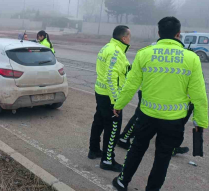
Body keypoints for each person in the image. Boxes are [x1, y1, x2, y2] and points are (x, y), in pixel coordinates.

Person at [112, 17, 208, 191]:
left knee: (136, 149)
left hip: (146, 116)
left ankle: (122, 181)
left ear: (159, 33)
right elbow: (199, 96)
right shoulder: (191, 58)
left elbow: (130, 85)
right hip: (174, 121)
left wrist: (118, 105)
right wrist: (200, 122)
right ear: (178, 35)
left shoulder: (145, 53)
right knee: (162, 158)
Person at [88, 25, 131, 172]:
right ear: (124, 38)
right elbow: (111, 78)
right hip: (109, 96)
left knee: (99, 121)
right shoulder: (116, 52)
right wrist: (116, 102)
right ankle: (107, 160)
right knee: (113, 128)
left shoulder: (107, 47)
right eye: (129, 36)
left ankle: (93, 150)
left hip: (101, 92)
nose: (130, 39)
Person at [117, 88, 190, 156]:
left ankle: (124, 137)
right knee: (141, 117)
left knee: (141, 117)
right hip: (155, 92)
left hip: (156, 91)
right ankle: (124, 138)